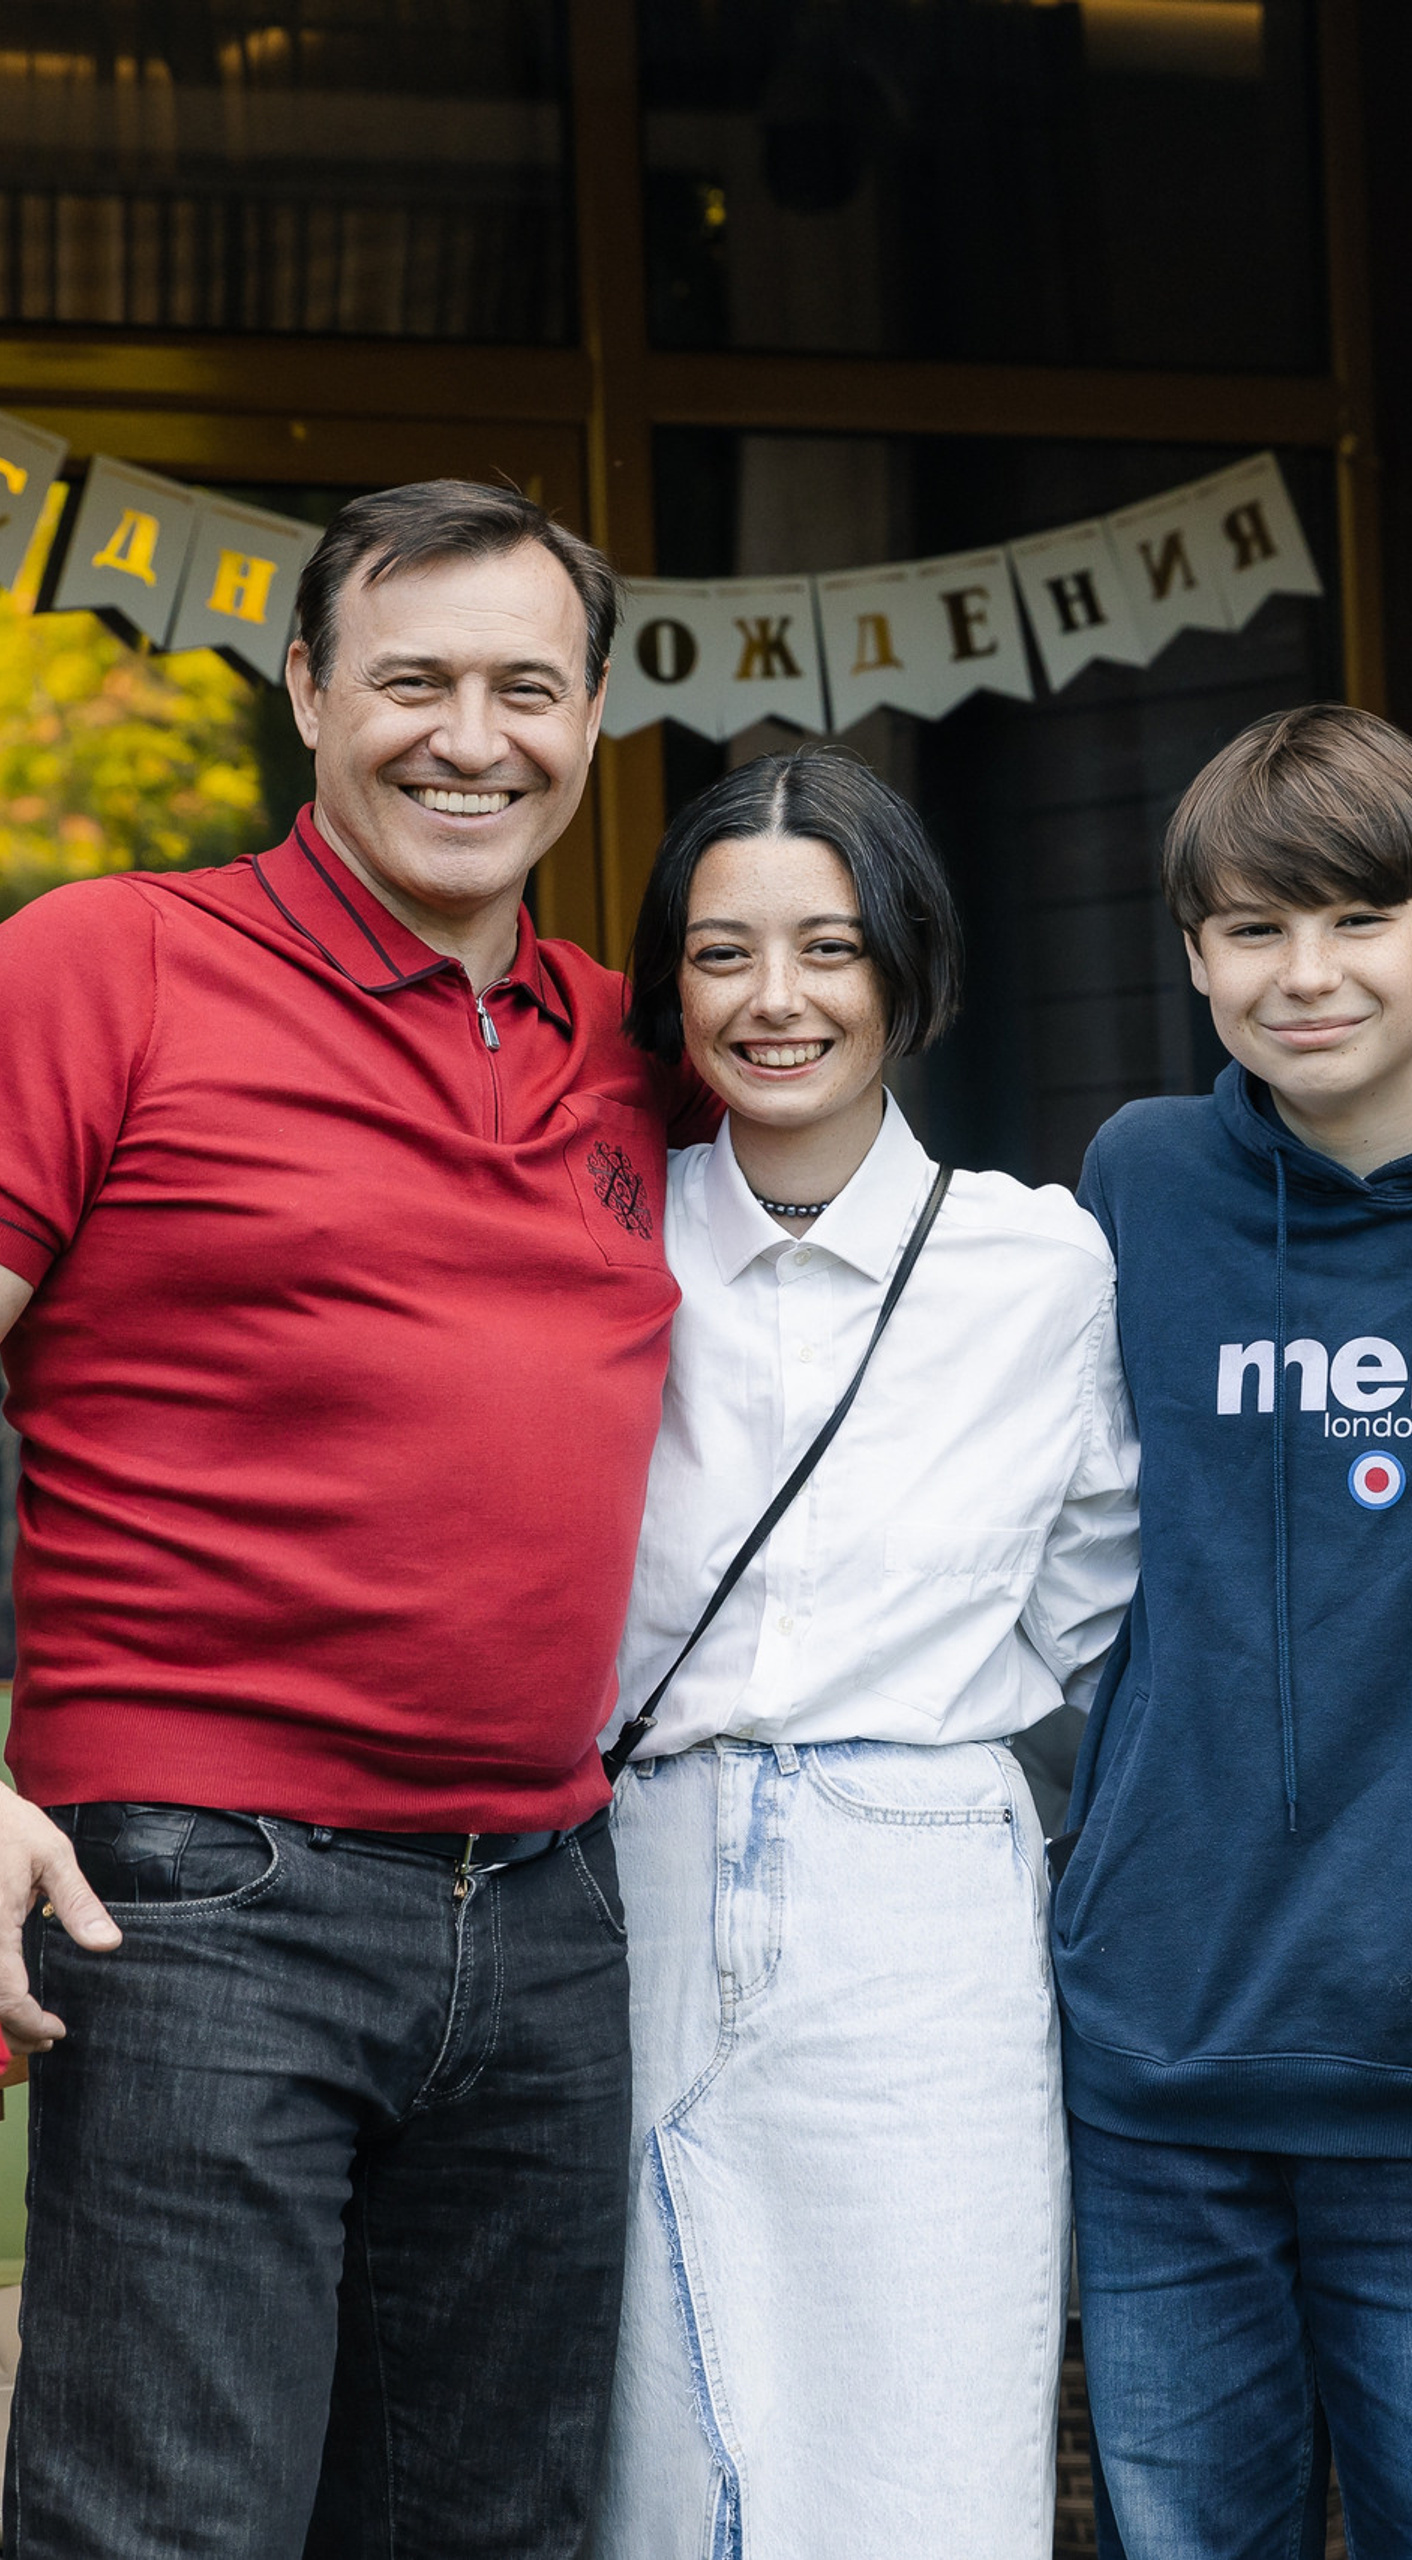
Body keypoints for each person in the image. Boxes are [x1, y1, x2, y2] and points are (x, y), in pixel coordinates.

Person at [0, 480, 699, 2558]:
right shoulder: (107, 962)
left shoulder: (622, 1048)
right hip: (204, 1890)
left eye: (523, 688)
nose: (467, 737)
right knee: (169, 2523)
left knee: (484, 2525)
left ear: (589, 718)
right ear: (306, 690)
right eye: (410, 679)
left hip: (554, 1901)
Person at [1051, 705, 1412, 2558]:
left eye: (1358, 920)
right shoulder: (1143, 1184)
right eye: (1251, 931)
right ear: (1198, 952)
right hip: (1163, 2043)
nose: (1305, 976)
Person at [592, 747, 1138, 2557]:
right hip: (631, 1879)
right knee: (649, 2455)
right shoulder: (597, 1246)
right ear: (669, 984)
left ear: (905, 971)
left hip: (920, 1908)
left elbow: (1089, 1599)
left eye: (827, 949)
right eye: (723, 953)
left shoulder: (1039, 1270)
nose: (777, 1001)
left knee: (923, 2448)